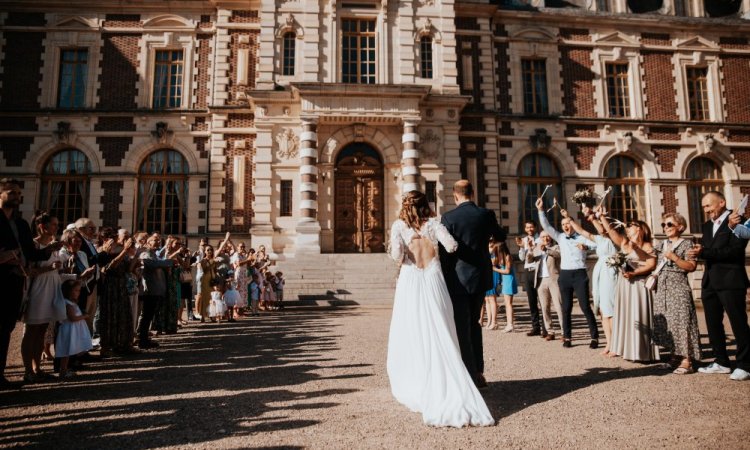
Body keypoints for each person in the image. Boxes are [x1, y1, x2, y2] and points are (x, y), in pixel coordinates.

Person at [387, 190, 494, 427]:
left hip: (411, 281)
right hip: (434, 279)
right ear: (426, 205)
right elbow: (452, 246)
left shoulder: (398, 226)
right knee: (442, 330)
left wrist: (404, 250)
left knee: (414, 331)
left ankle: (420, 380)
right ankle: (451, 378)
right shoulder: (434, 224)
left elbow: (396, 254)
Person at [439, 180, 506, 389]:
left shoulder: (449, 217)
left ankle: (468, 375)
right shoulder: (486, 214)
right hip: (480, 277)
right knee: (475, 324)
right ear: (473, 193)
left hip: (458, 279)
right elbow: (501, 236)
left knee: (461, 327)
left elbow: (445, 254)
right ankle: (478, 372)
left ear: (455, 195)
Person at [688, 192, 749, 381]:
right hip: (710, 281)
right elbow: (712, 249)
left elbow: (734, 251)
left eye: (709, 205)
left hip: (731, 280)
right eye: (704, 207)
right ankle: (721, 362)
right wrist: (699, 252)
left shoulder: (740, 220)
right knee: (713, 324)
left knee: (738, 324)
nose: (706, 210)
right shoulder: (707, 226)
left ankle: (745, 365)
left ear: (722, 202)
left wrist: (705, 251)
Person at [21, 212, 79, 383]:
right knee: (32, 330)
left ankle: (37, 368)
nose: (56, 227)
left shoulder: (54, 246)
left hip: (52, 289)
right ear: (42, 227)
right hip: (38, 290)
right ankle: (27, 370)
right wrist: (49, 269)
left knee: (42, 331)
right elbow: (28, 271)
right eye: (53, 224)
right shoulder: (33, 245)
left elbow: (55, 271)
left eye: (57, 224)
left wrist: (64, 272)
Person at [535, 197, 598, 349]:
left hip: (580, 274)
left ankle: (594, 337)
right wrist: (540, 210)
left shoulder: (583, 237)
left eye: (568, 224)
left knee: (585, 306)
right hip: (565, 275)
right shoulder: (560, 238)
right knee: (566, 308)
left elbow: (597, 244)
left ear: (573, 225)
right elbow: (547, 226)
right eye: (563, 225)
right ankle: (567, 337)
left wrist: (587, 248)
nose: (565, 227)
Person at [600, 216, 659, 362]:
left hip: (639, 284)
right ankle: (628, 350)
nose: (626, 228)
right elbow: (611, 232)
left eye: (630, 225)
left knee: (639, 315)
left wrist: (635, 272)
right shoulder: (625, 243)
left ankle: (642, 352)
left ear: (638, 228)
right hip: (625, 285)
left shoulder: (647, 246)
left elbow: (651, 265)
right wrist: (602, 217)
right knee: (626, 316)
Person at [561, 207, 618, 354]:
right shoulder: (599, 239)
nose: (599, 227)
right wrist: (569, 218)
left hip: (610, 272)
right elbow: (582, 231)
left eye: (601, 225)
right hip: (600, 272)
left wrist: (598, 218)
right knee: (602, 308)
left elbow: (588, 233)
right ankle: (609, 343)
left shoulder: (614, 238)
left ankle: (610, 341)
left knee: (604, 307)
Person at [652, 213, 701, 374]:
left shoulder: (687, 244)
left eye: (669, 224)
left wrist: (674, 257)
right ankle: (674, 357)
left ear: (680, 227)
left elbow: (691, 266)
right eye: (664, 225)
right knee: (670, 324)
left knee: (682, 323)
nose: (666, 227)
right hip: (662, 289)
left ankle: (687, 360)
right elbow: (650, 258)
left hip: (678, 288)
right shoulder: (661, 244)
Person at [524, 231, 563, 341]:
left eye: (547, 236)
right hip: (541, 280)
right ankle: (550, 331)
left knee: (559, 307)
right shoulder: (536, 248)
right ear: (540, 238)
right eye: (542, 237)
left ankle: (564, 332)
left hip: (554, 280)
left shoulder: (556, 247)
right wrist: (531, 249)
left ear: (550, 237)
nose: (545, 238)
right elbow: (529, 260)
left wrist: (546, 250)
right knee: (545, 308)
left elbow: (558, 255)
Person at [515, 221, 542, 336]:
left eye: (531, 226)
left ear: (535, 227)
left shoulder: (540, 239)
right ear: (525, 229)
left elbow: (540, 254)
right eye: (527, 227)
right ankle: (535, 327)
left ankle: (546, 328)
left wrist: (533, 247)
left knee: (542, 300)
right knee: (532, 300)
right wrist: (521, 247)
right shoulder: (524, 240)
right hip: (528, 270)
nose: (529, 229)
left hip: (538, 270)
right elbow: (521, 258)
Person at [495, 241, 517, 333]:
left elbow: (507, 271)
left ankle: (510, 324)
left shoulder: (507, 257)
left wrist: (495, 269)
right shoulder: (502, 257)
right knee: (507, 303)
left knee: (508, 304)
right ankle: (510, 323)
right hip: (506, 280)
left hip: (509, 280)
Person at [480, 240, 500, 330]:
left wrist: (491, 251)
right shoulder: (485, 249)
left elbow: (494, 262)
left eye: (492, 241)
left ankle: (494, 321)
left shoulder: (496, 250)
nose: (490, 243)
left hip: (493, 274)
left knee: (492, 298)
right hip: (486, 273)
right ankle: (489, 320)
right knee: (487, 299)